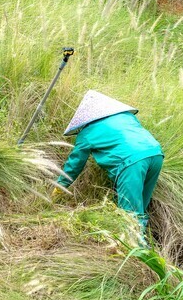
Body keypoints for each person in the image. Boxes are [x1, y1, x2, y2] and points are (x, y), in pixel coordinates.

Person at [56, 90, 163, 240]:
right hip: (155, 154)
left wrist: (59, 187)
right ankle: (143, 248)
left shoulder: (86, 134)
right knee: (139, 209)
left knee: (129, 216)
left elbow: (74, 166)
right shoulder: (126, 116)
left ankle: (135, 254)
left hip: (131, 163)